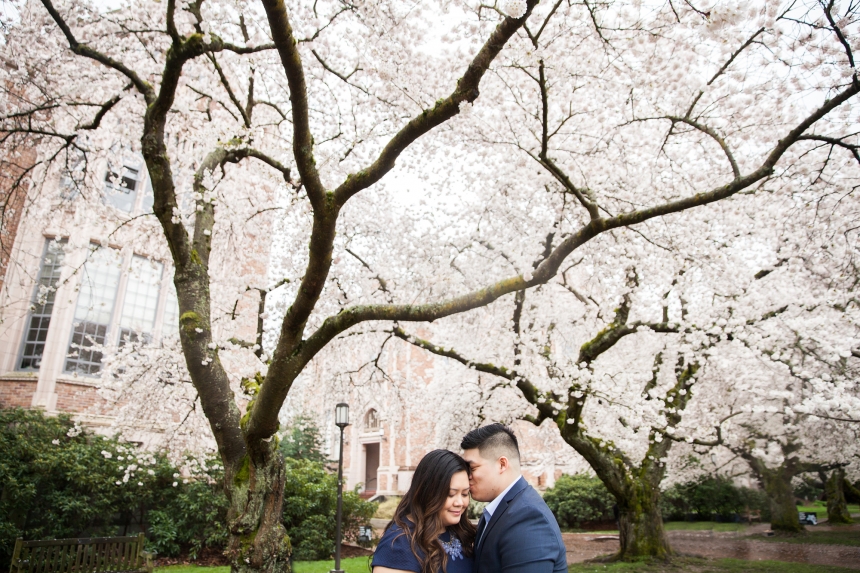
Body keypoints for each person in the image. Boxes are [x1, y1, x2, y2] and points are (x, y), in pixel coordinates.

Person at [461, 424, 567, 573]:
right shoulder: (502, 510)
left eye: (472, 468)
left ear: (502, 464)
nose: (467, 477)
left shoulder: (528, 517)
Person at [372, 449, 476, 573]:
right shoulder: (399, 545)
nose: (459, 503)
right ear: (428, 493)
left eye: (465, 494)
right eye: (450, 494)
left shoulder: (461, 533)